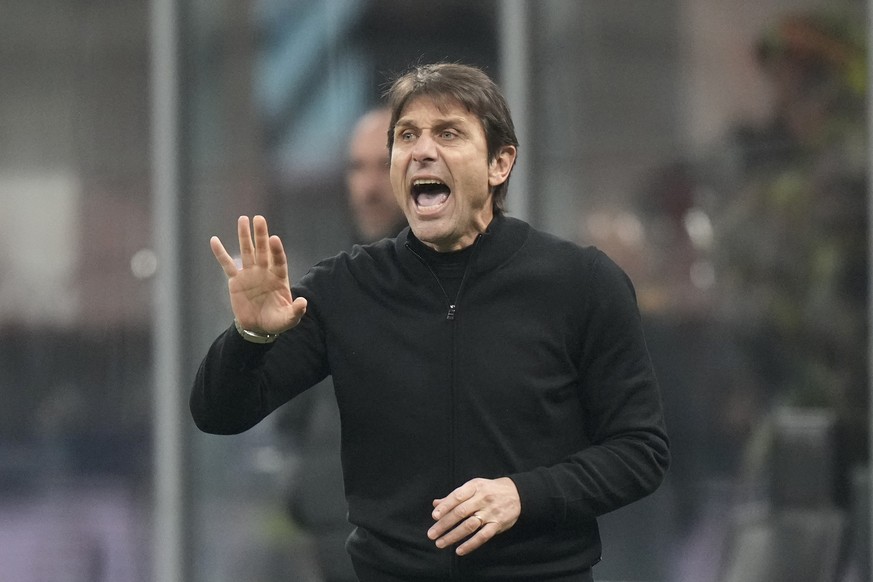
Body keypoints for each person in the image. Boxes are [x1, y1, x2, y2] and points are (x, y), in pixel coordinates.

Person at [191, 62, 670, 581]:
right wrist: (250, 337)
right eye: (407, 135)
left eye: (448, 133)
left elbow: (638, 451)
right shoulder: (345, 287)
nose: (421, 150)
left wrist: (523, 494)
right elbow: (219, 413)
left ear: (500, 163)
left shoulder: (582, 283)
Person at [276, 106, 406, 582]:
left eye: (383, 165)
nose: (369, 187)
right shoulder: (329, 284)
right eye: (357, 167)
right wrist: (304, 493)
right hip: (331, 535)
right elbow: (293, 413)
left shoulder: (447, 287)